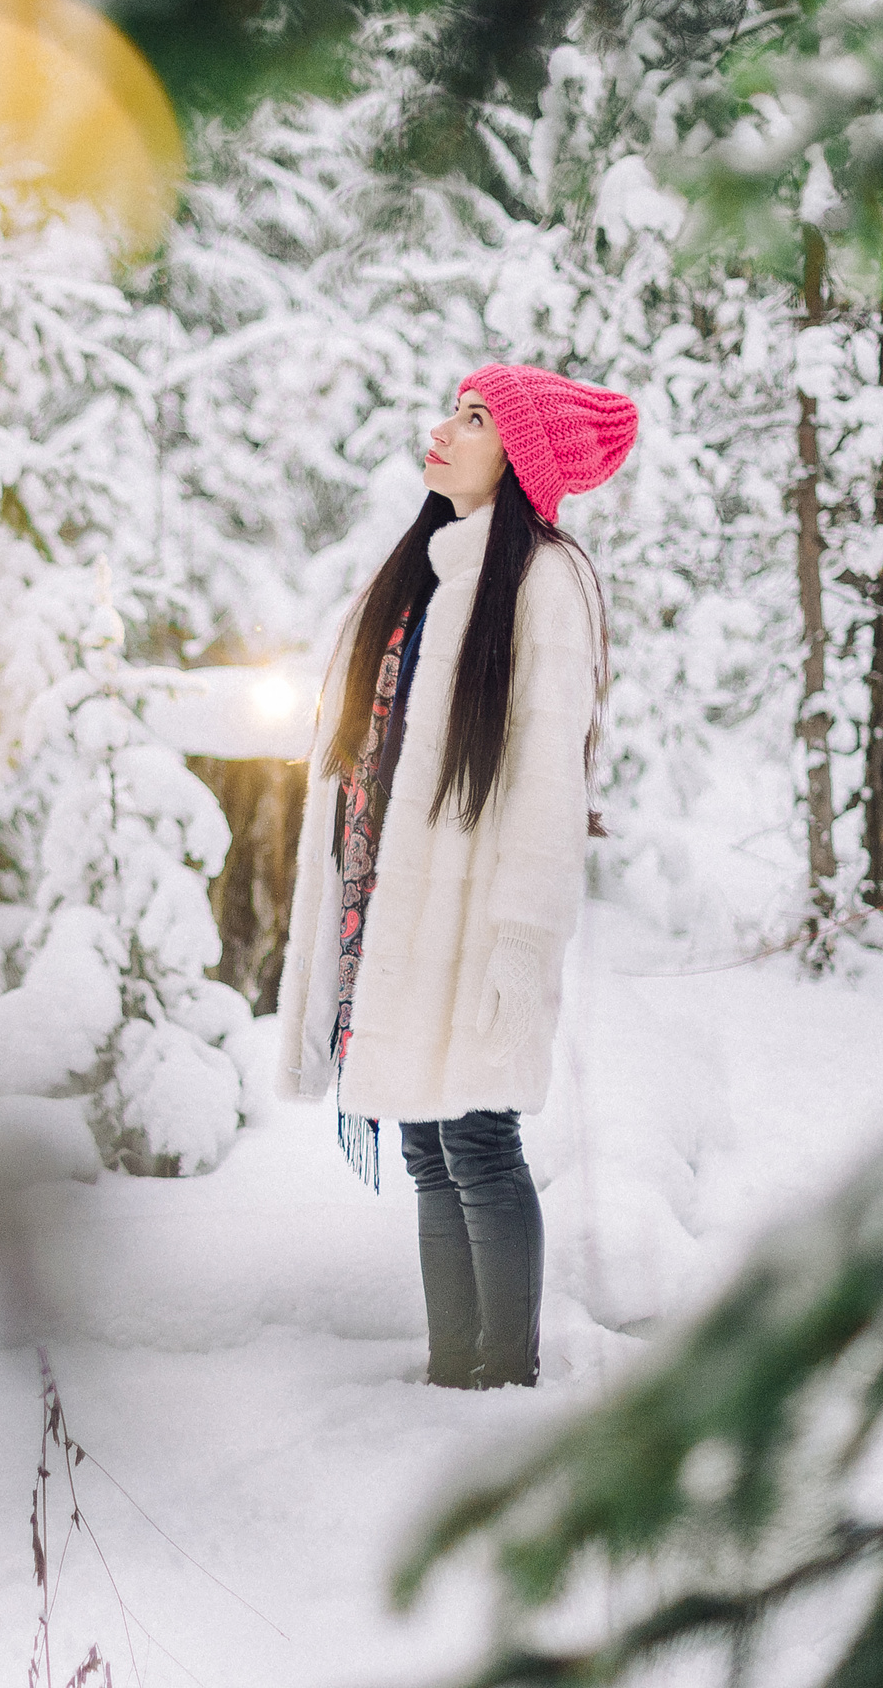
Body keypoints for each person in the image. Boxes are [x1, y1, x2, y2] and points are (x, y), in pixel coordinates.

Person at [275, 365, 633, 1389]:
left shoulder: (543, 580)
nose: (444, 428)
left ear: (520, 458)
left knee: (477, 1139)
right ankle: (450, 1375)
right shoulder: (423, 570)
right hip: (393, 902)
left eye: (474, 418)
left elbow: (546, 782)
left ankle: (503, 1380)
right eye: (454, 408)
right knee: (428, 1146)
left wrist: (520, 940)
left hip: (471, 910)